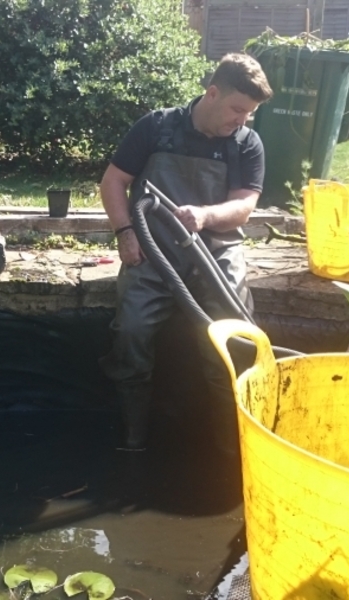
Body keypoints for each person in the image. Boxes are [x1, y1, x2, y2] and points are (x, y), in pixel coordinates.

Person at [98, 53, 274, 451]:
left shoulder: (246, 144)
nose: (241, 121)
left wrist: (207, 214)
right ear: (212, 93)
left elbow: (245, 205)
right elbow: (113, 182)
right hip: (154, 251)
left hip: (216, 251)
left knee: (233, 341)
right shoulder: (156, 128)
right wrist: (127, 234)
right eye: (237, 110)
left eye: (249, 114)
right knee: (131, 331)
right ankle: (133, 436)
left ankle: (233, 445)